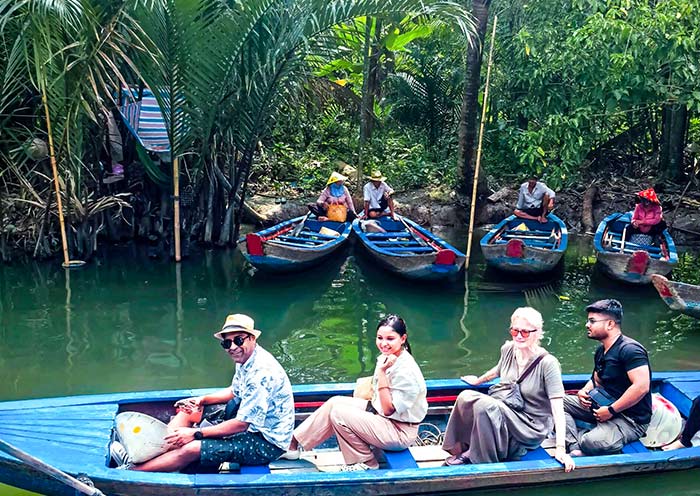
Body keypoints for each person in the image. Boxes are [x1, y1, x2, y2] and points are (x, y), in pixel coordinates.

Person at [111, 314, 295, 472]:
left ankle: (132, 470)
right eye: (227, 342)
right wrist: (201, 400)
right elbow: (235, 390)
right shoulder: (246, 359)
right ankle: (153, 452)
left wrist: (196, 433)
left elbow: (242, 425)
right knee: (189, 410)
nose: (232, 347)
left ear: (252, 338)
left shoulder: (261, 373)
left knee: (192, 448)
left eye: (238, 340)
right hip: (248, 422)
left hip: (265, 443)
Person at [287, 315, 427, 472]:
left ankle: (365, 462)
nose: (383, 343)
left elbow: (388, 410)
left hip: (398, 431)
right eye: (380, 338)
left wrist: (381, 373)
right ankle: (292, 444)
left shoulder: (406, 370)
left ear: (403, 339)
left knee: (339, 414)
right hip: (382, 417)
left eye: (390, 338)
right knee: (335, 402)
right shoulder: (389, 357)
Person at [442, 307, 574, 472]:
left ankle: (482, 460)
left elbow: (557, 408)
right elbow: (498, 369)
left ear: (538, 332)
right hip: (508, 409)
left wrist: (560, 449)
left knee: (485, 405)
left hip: (530, 425)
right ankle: (459, 447)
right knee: (465, 396)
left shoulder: (548, 364)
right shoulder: (509, 349)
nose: (519, 336)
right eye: (515, 331)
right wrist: (478, 381)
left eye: (525, 332)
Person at [563, 299, 651, 456]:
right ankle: (574, 446)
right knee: (553, 403)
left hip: (629, 419)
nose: (587, 325)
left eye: (592, 321)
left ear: (610, 324)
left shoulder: (631, 350)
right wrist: (584, 391)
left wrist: (611, 410)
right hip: (600, 405)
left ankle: (587, 439)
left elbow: (641, 387)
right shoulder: (601, 351)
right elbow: (596, 380)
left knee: (592, 443)